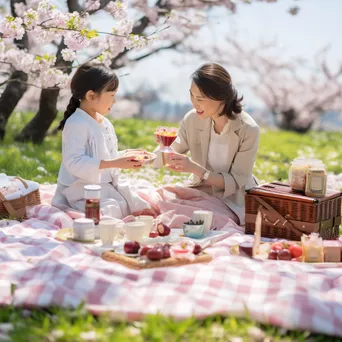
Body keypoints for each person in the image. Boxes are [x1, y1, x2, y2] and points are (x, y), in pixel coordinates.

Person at [154, 63, 259, 226]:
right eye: (192, 96)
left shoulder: (248, 129)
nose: (194, 104)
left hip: (231, 199)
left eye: (200, 99)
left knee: (200, 217)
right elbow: (173, 150)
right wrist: (164, 144)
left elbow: (236, 181)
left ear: (221, 98)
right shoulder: (192, 119)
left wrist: (195, 169)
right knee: (158, 200)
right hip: (200, 190)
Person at [52, 64, 152, 219]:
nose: (115, 101)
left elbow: (103, 155)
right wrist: (116, 163)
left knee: (135, 203)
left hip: (104, 186)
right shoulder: (76, 123)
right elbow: (74, 162)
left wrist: (126, 155)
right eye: (112, 95)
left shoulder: (104, 123)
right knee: (109, 211)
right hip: (81, 189)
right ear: (91, 95)